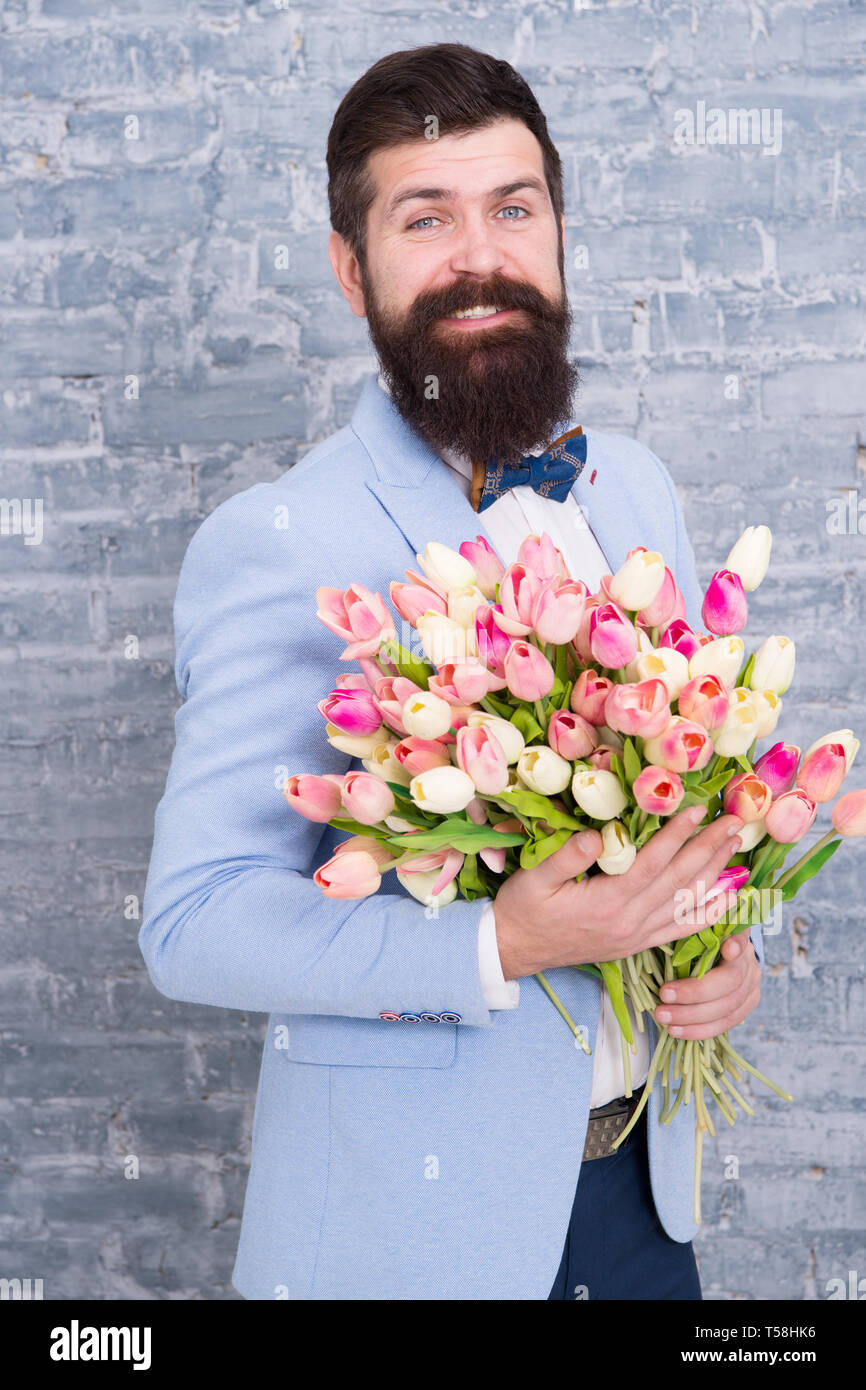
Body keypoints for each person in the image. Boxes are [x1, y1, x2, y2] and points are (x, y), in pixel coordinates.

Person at [140, 42, 762, 1301]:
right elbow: (194, 924)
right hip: (404, 1249)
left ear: (558, 230)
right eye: (424, 217)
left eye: (511, 208)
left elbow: (697, 792)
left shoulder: (631, 483)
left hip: (644, 1209)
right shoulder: (282, 542)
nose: (479, 255)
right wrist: (497, 942)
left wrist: (725, 939)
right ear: (348, 263)